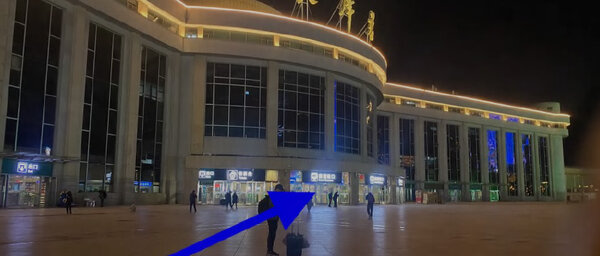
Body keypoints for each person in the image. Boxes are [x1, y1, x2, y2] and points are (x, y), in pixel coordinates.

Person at [258, 184, 285, 256]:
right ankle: (270, 251)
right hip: (272, 219)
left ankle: (270, 250)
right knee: (272, 234)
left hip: (272, 218)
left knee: (272, 234)